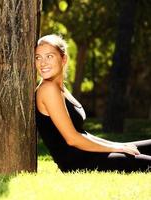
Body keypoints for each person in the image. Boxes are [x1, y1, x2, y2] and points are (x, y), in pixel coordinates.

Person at [35, 34, 151, 172]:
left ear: (63, 59)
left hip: (88, 153)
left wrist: (119, 145)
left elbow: (82, 133)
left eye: (49, 56)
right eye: (38, 57)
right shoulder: (48, 89)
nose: (42, 63)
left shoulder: (60, 88)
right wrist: (116, 148)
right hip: (79, 162)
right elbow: (72, 139)